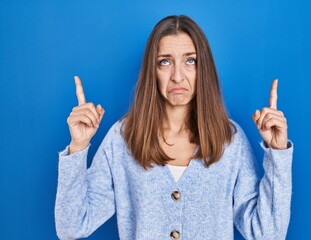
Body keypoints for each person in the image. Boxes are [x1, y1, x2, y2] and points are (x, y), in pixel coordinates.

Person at [55, 15, 293, 240]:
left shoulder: (229, 140)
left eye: (190, 61)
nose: (177, 76)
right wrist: (78, 147)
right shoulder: (123, 137)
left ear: (203, 70)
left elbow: (267, 233)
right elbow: (72, 226)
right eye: (165, 62)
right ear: (153, 71)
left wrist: (278, 154)